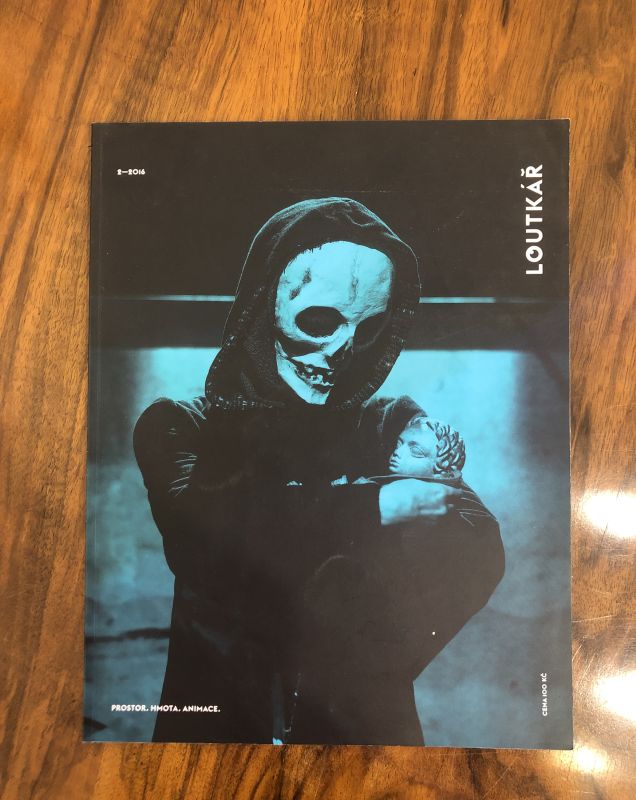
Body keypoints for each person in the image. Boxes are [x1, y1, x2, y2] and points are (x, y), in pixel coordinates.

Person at [133, 197, 504, 745]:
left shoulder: (389, 426)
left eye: (368, 328)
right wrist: (380, 506)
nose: (340, 351)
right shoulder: (179, 426)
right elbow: (203, 543)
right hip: (222, 731)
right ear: (263, 306)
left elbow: (474, 542)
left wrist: (363, 669)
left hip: (356, 736)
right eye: (318, 321)